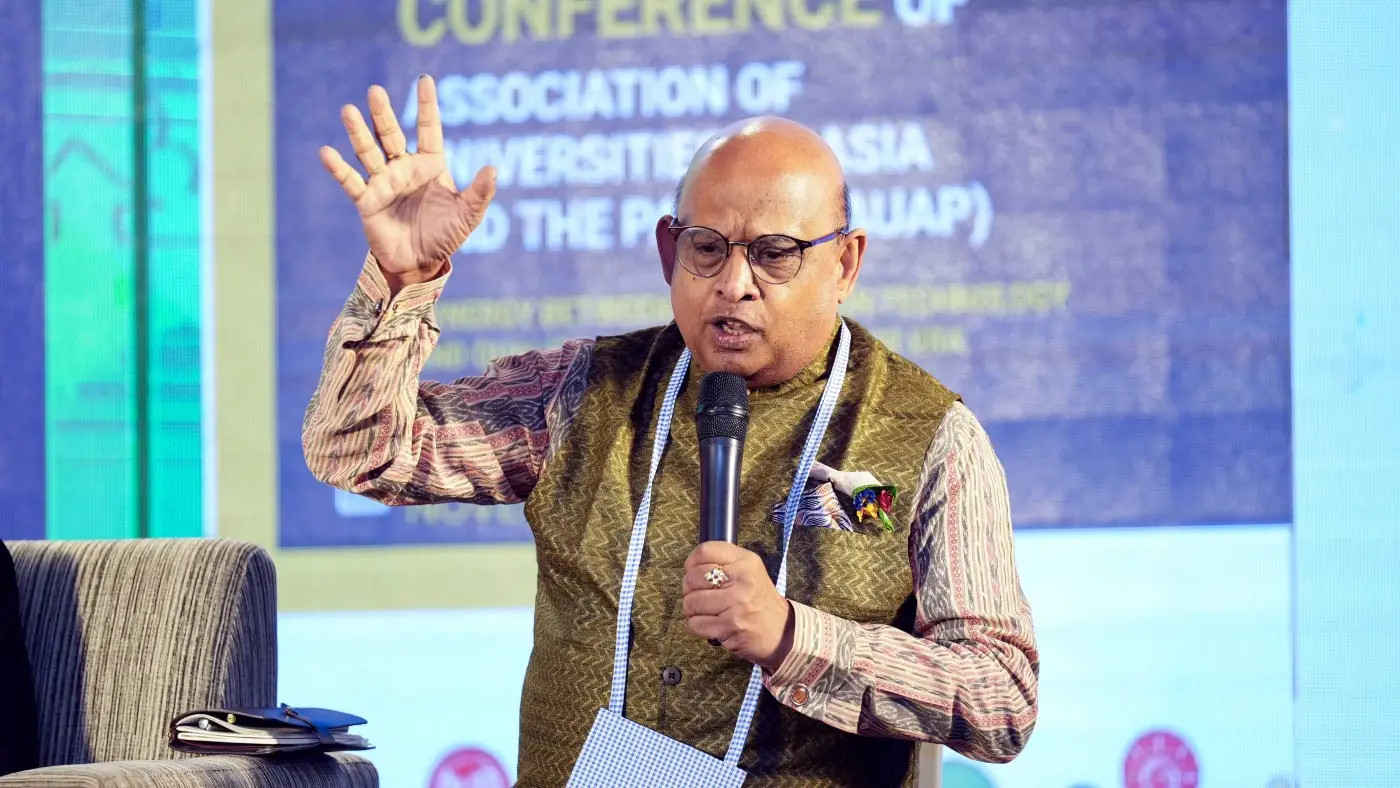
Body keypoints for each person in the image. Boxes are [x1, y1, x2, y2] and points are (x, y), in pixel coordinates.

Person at [304, 76, 1038, 786]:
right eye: (707, 247)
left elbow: (1001, 700)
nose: (734, 283)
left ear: (844, 263)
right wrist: (401, 281)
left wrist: (794, 636)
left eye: (776, 253)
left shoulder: (931, 437)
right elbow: (358, 451)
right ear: (669, 252)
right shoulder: (583, 389)